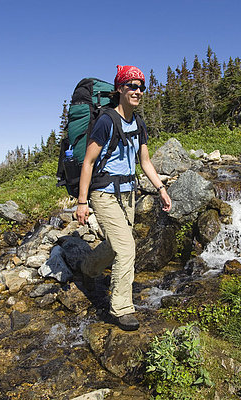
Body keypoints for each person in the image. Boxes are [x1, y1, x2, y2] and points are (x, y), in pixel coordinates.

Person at [76, 65, 172, 331]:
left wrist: (161, 189)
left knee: (117, 244)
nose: (137, 91)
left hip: (129, 194)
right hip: (103, 193)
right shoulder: (107, 120)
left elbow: (145, 161)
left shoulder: (138, 123)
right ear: (120, 89)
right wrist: (82, 202)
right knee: (127, 248)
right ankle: (121, 308)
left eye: (141, 86)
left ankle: (88, 268)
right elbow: (88, 161)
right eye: (131, 85)